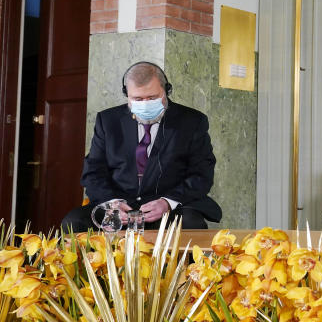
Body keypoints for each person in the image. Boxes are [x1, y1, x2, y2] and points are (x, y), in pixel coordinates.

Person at [61, 61, 221, 231]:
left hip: (167, 208)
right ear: (126, 95)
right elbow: (93, 172)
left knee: (190, 224)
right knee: (74, 222)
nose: (145, 103)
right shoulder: (108, 121)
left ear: (166, 90)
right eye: (137, 99)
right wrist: (111, 202)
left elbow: (202, 174)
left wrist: (167, 203)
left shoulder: (192, 121)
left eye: (152, 98)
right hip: (119, 209)